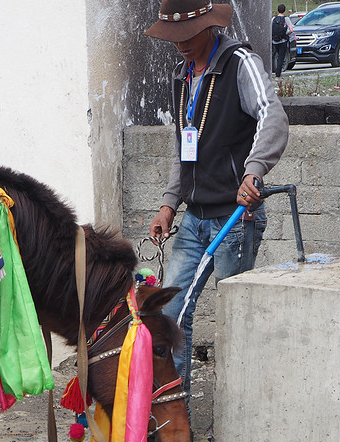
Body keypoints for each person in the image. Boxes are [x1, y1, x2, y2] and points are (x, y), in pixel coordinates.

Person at [145, 0, 289, 406]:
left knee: (235, 320)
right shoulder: (182, 75)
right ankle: (177, 415)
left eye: (189, 36)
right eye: (175, 39)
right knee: (170, 315)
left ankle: (242, 414)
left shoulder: (240, 63)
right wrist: (169, 203)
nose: (182, 45)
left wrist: (253, 171)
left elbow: (272, 116)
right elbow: (183, 148)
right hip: (194, 219)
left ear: (210, 27)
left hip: (235, 218)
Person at [272, 4, 291, 78]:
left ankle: (277, 72)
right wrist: (286, 34)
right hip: (283, 41)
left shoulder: (273, 18)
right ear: (284, 10)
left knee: (276, 56)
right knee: (281, 57)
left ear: (278, 10)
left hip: (274, 41)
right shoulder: (286, 19)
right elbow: (291, 30)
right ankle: (278, 75)